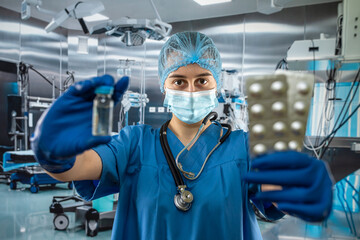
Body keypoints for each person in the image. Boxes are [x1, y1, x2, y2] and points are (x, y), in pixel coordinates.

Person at [31, 32, 333, 240]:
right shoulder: (135, 143)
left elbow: (278, 191)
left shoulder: (243, 147)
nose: (191, 91)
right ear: (164, 86)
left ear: (215, 85)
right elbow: (76, 167)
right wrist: (54, 153)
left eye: (202, 80)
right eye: (179, 80)